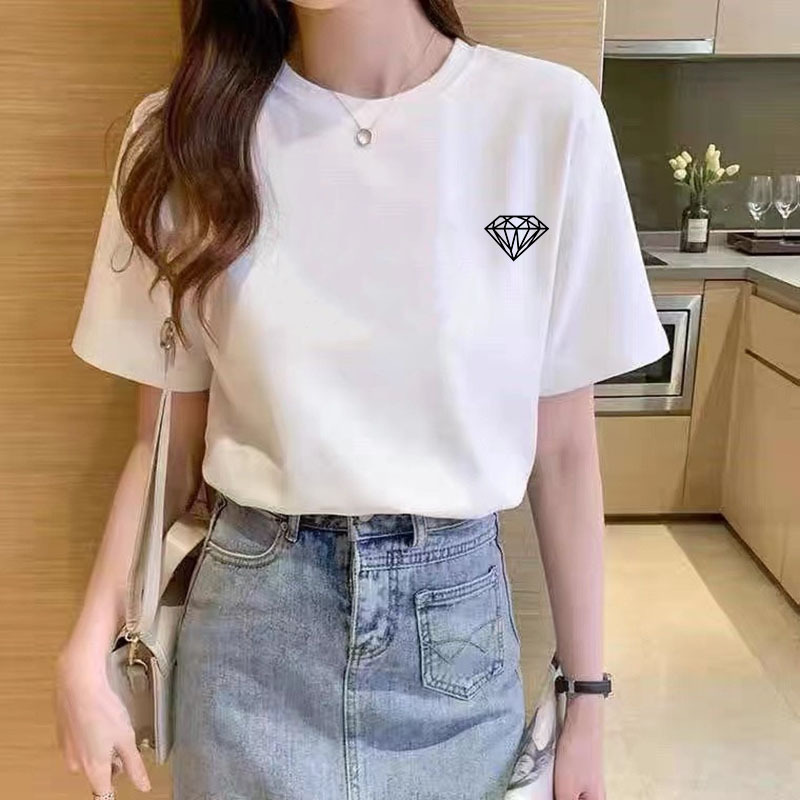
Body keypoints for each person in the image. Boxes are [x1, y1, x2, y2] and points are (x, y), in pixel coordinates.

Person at [54, 1, 670, 799]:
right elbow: (163, 445)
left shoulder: (545, 119)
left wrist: (587, 699)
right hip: (248, 642)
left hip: (456, 647)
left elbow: (564, 453)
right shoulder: (184, 136)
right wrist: (89, 645)